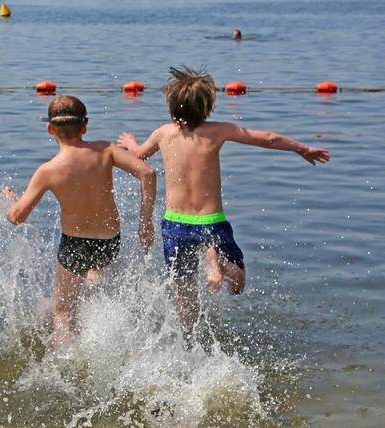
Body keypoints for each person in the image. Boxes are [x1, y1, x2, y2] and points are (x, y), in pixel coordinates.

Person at [117, 66, 330, 337]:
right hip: (210, 222)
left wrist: (130, 142)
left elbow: (139, 155)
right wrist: (302, 148)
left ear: (172, 105)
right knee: (237, 284)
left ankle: (189, 340)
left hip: (175, 224)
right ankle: (215, 259)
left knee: (183, 291)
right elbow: (268, 139)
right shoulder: (218, 131)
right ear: (207, 106)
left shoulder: (163, 133)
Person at [5, 95, 156, 347]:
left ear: (50, 130)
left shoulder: (48, 170)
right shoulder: (106, 150)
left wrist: (9, 202)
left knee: (62, 312)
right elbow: (148, 173)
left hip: (74, 245)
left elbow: (17, 217)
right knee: (92, 275)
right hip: (109, 242)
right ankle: (95, 296)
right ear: (85, 127)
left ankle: (65, 360)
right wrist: (145, 222)